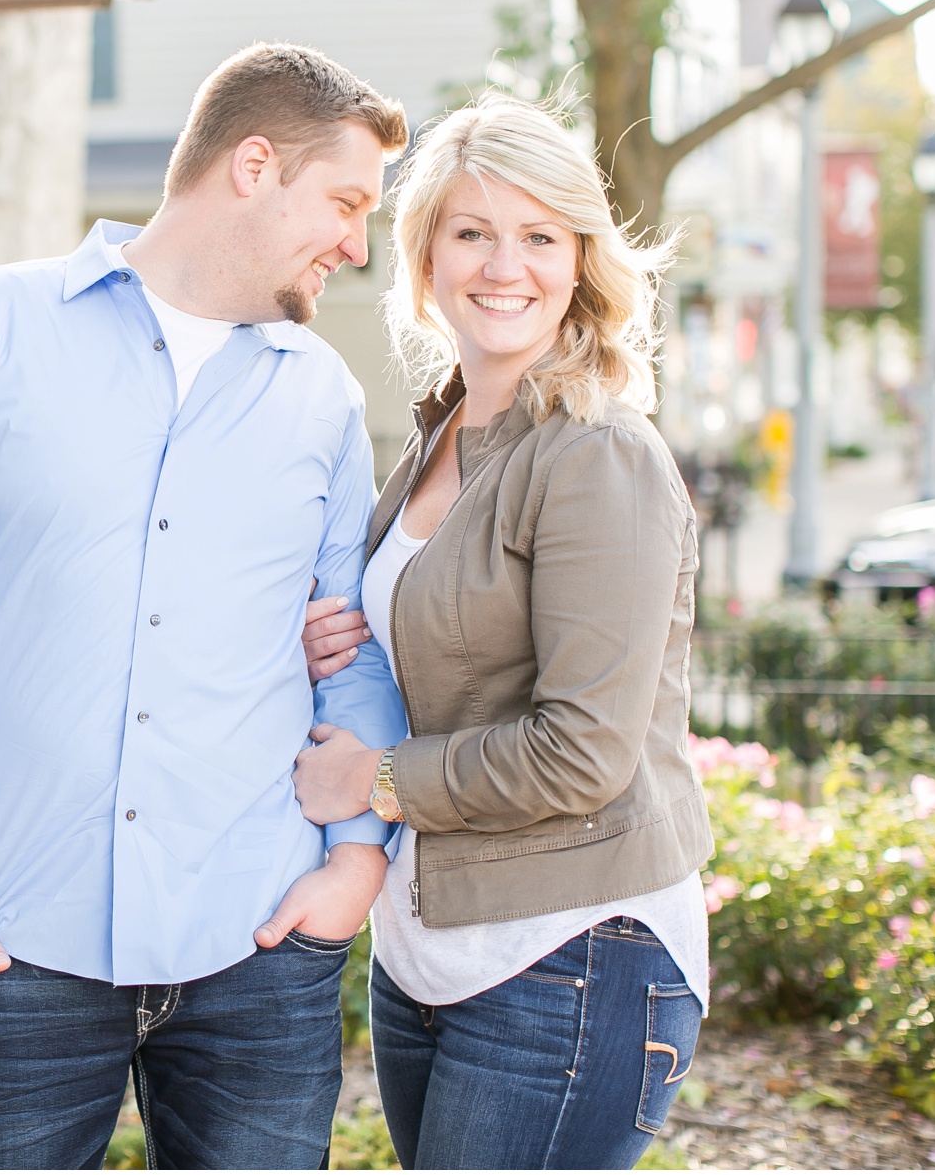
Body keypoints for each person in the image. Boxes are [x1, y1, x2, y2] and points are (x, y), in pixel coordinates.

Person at [0, 43, 409, 1169]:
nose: (356, 245)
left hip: (258, 943)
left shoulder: (320, 396)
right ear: (254, 164)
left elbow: (352, 649)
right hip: (5, 943)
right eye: (345, 203)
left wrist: (354, 864)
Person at [294, 92, 715, 1170]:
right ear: (425, 250)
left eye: (538, 237)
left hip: (572, 952)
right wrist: (332, 646)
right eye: (471, 231)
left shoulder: (594, 454)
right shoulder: (442, 428)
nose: (502, 266)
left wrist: (371, 781)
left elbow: (580, 748)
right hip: (429, 951)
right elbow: (443, 648)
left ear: (580, 259)